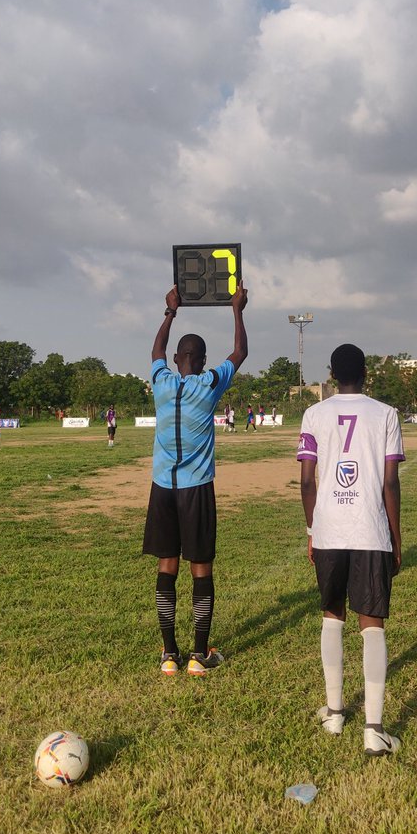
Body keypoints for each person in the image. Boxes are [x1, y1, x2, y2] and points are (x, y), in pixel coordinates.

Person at [298, 344, 404, 756]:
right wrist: (395, 535)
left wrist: (313, 527)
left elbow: (308, 481)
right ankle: (374, 728)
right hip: (370, 530)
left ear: (331, 373)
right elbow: (390, 483)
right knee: (371, 622)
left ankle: (335, 712)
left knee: (332, 616)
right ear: (365, 373)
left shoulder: (313, 414)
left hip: (328, 530)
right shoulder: (386, 414)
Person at [142, 281, 248, 676]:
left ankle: (169, 653)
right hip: (196, 489)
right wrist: (237, 309)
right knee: (200, 568)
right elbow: (240, 353)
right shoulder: (208, 385)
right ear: (203, 361)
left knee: (166, 567)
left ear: (176, 358)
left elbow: (155, 351)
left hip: (162, 489)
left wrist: (170, 310)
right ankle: (199, 655)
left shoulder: (162, 382)